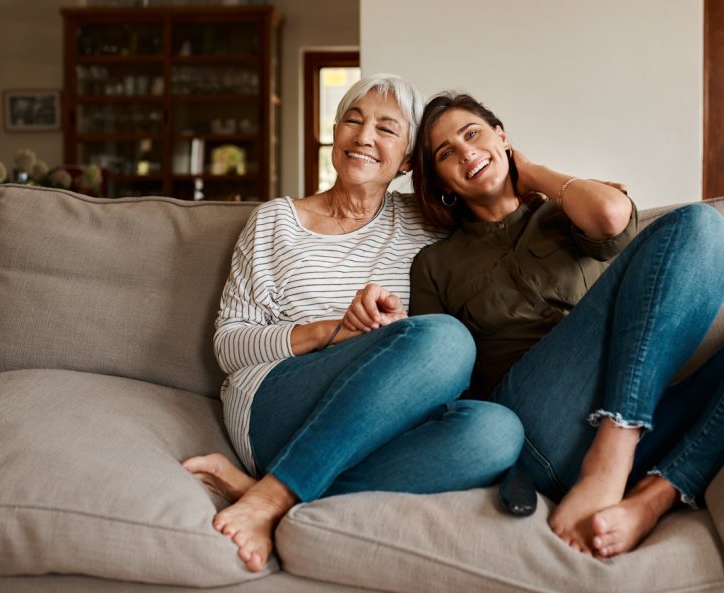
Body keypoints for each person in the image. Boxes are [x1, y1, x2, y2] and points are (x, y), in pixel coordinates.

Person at [349, 91, 724, 559]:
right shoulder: (436, 264)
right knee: (700, 224)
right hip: (540, 425)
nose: (467, 153)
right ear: (440, 181)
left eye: (474, 134)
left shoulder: (566, 212)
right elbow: (441, 378)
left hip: (643, 407)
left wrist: (530, 172)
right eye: (447, 153)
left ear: (502, 135)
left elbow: (611, 216)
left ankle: (652, 494)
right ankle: (610, 456)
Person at [180, 77, 524, 573]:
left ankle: (270, 491)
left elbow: (499, 190)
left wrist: (398, 341)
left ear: (409, 160)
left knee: (497, 432)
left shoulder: (428, 223)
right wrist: (331, 331)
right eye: (353, 120)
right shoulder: (276, 222)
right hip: (276, 404)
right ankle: (277, 492)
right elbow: (229, 346)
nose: (364, 137)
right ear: (335, 133)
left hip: (372, 422)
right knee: (444, 338)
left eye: (387, 128)